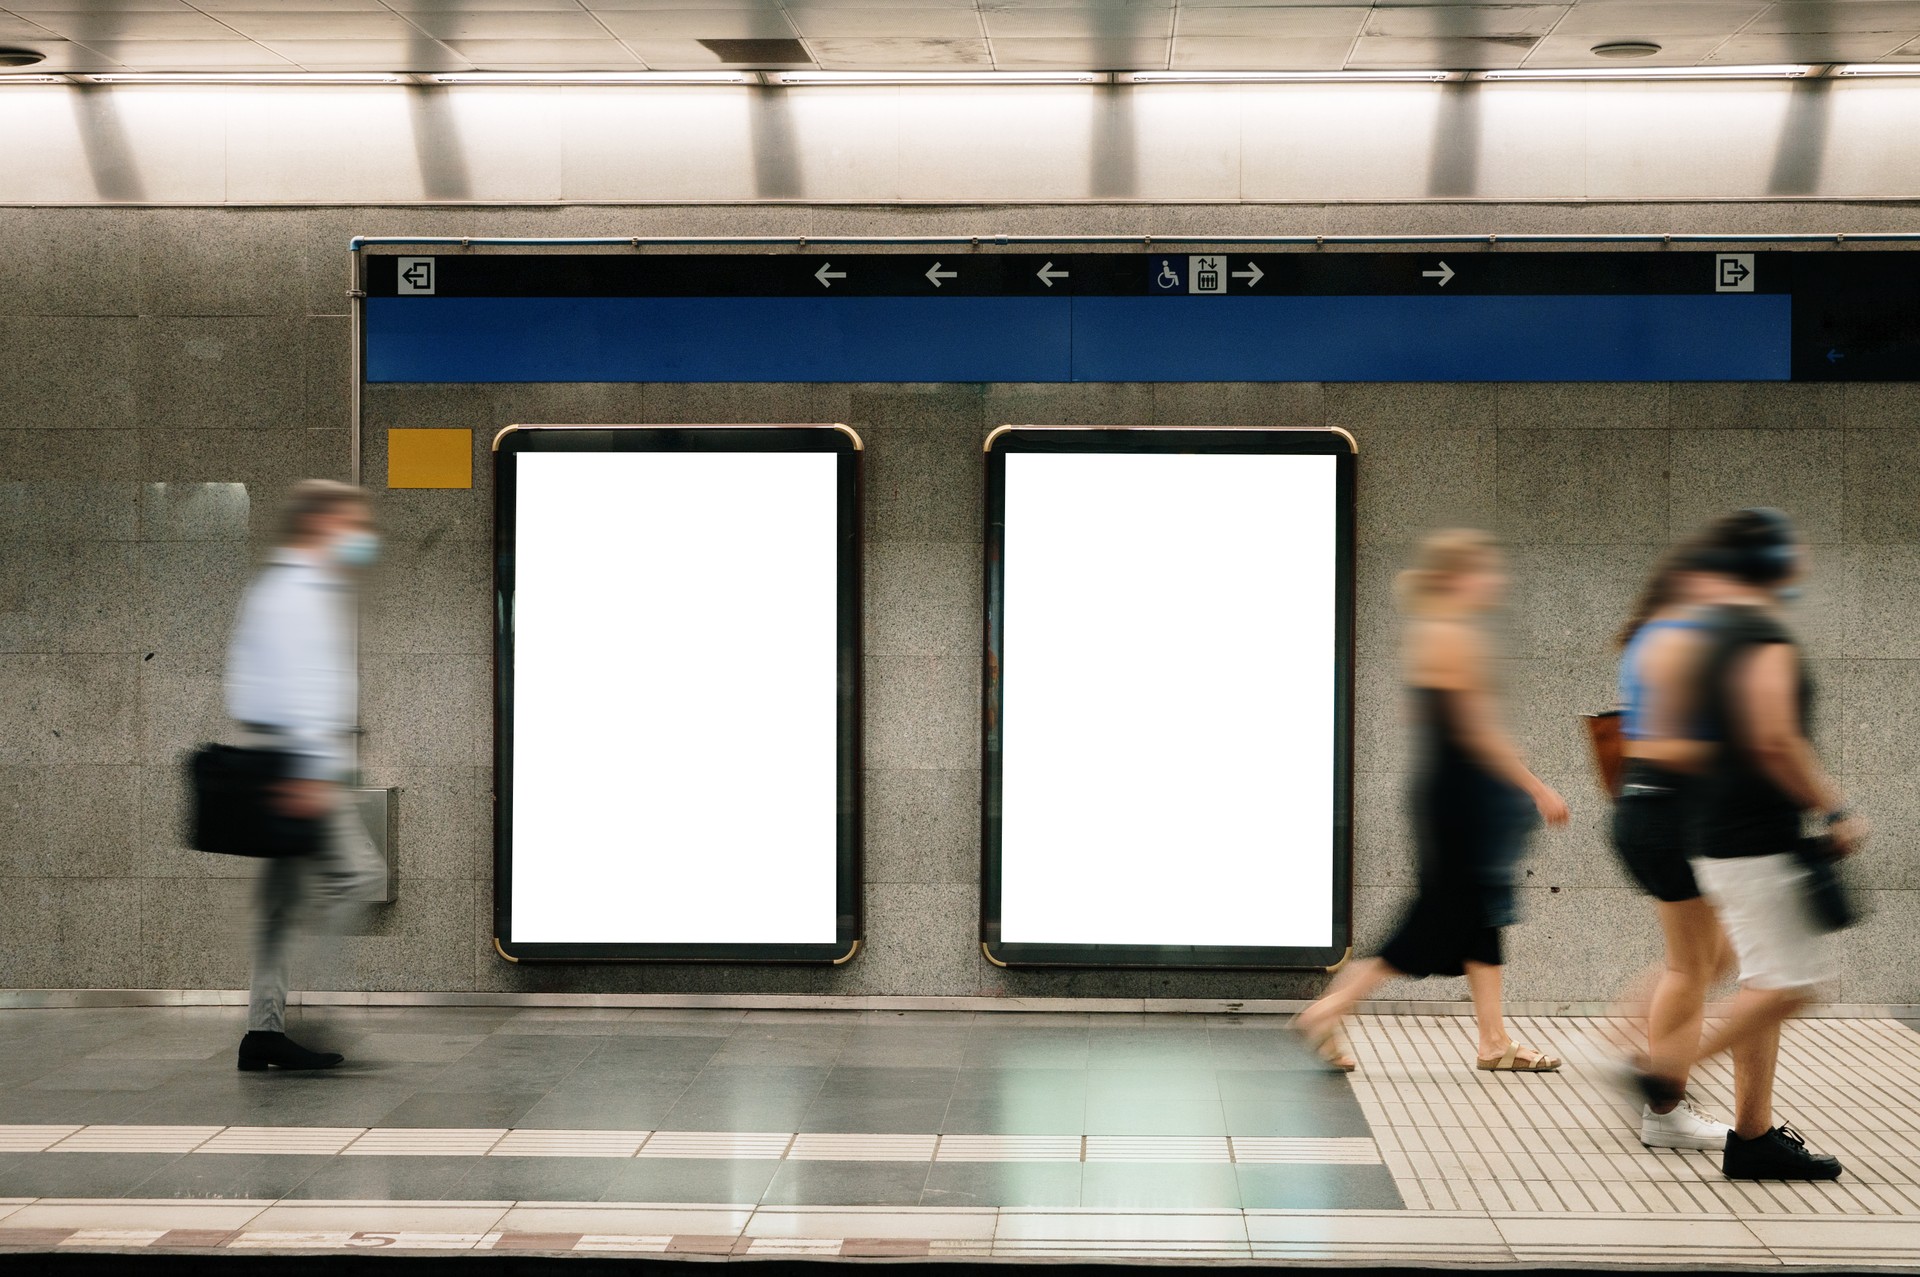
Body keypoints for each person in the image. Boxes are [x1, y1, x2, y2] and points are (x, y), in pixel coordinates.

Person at [1632, 509, 1859, 1180]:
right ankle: (1667, 1068)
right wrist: (1834, 804)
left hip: (1717, 833)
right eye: (1795, 550)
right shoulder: (1760, 634)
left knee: (1766, 977)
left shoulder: (1708, 635)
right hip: (1754, 839)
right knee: (1792, 985)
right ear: (1773, 563)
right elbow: (1774, 737)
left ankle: (1752, 1137)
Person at [1296, 530, 1569, 1073]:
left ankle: (1494, 1042)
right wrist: (1535, 784)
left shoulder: (1433, 632)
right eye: (1487, 570)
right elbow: (1474, 731)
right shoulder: (1450, 635)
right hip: (1461, 798)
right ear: (1458, 577)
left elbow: (1432, 719)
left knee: (1478, 916)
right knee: (1438, 918)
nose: (1497, 580)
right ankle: (1327, 1011)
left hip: (1451, 790)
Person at [225, 479, 386, 1072]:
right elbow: (287, 687)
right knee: (359, 873)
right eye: (351, 521)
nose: (360, 534)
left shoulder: (297, 586)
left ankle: (263, 1030)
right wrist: (309, 770)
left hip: (295, 767)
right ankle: (308, 1004)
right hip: (303, 772)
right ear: (320, 522)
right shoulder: (294, 590)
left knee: (277, 907)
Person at [1609, 540, 1739, 1150]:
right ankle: (1664, 1107)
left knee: (1712, 959)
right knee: (1694, 967)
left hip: (1651, 813)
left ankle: (1631, 1043)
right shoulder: (1678, 641)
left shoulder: (1651, 637)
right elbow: (1674, 744)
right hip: (1672, 815)